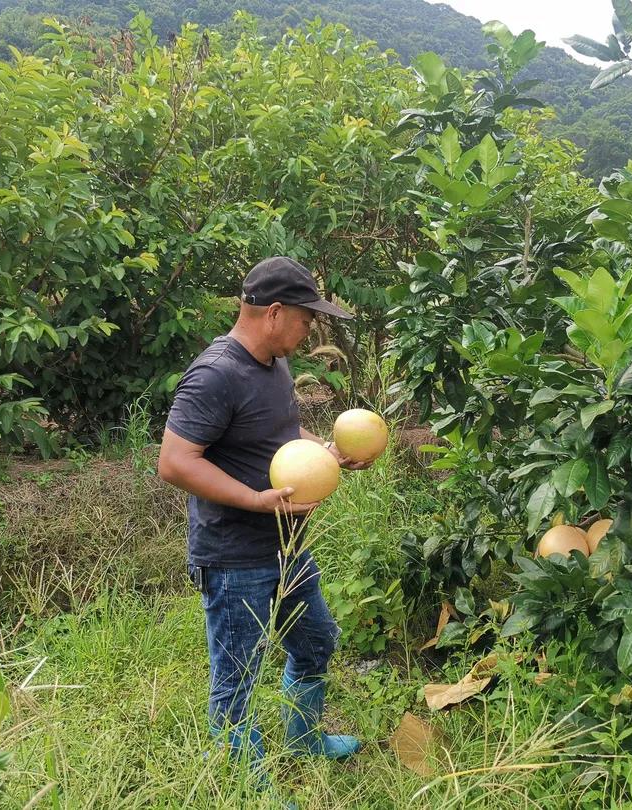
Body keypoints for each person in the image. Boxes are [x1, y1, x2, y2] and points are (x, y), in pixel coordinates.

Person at [157, 256, 368, 779]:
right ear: (274, 313)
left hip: (288, 545)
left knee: (316, 639)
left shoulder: (276, 364)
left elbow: (279, 440)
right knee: (237, 680)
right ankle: (245, 783)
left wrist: (324, 453)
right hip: (234, 556)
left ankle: (305, 740)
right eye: (305, 319)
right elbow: (175, 462)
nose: (309, 330)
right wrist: (254, 499)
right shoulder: (216, 375)